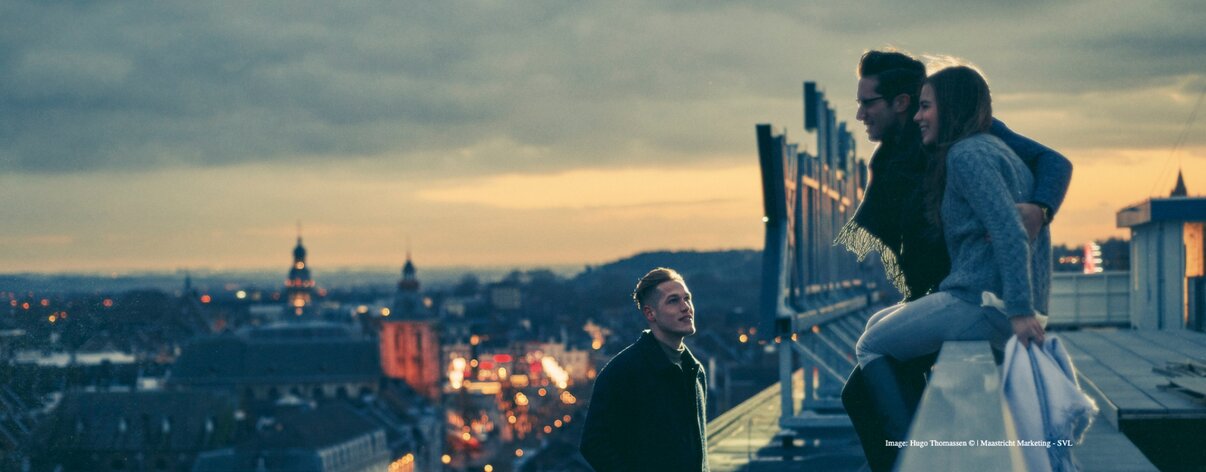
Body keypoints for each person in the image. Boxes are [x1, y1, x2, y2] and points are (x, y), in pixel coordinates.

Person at [836, 50, 1070, 472]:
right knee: (872, 349)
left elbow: (1042, 179)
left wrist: (1039, 208)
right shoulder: (898, 158)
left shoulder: (969, 147)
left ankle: (915, 461)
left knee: (867, 356)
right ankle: (913, 453)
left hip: (973, 297)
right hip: (957, 291)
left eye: (867, 103)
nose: (859, 114)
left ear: (902, 103)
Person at [580, 268, 708, 472]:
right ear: (650, 313)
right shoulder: (623, 371)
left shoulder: (695, 370)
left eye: (687, 298)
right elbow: (594, 444)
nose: (686, 307)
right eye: (673, 301)